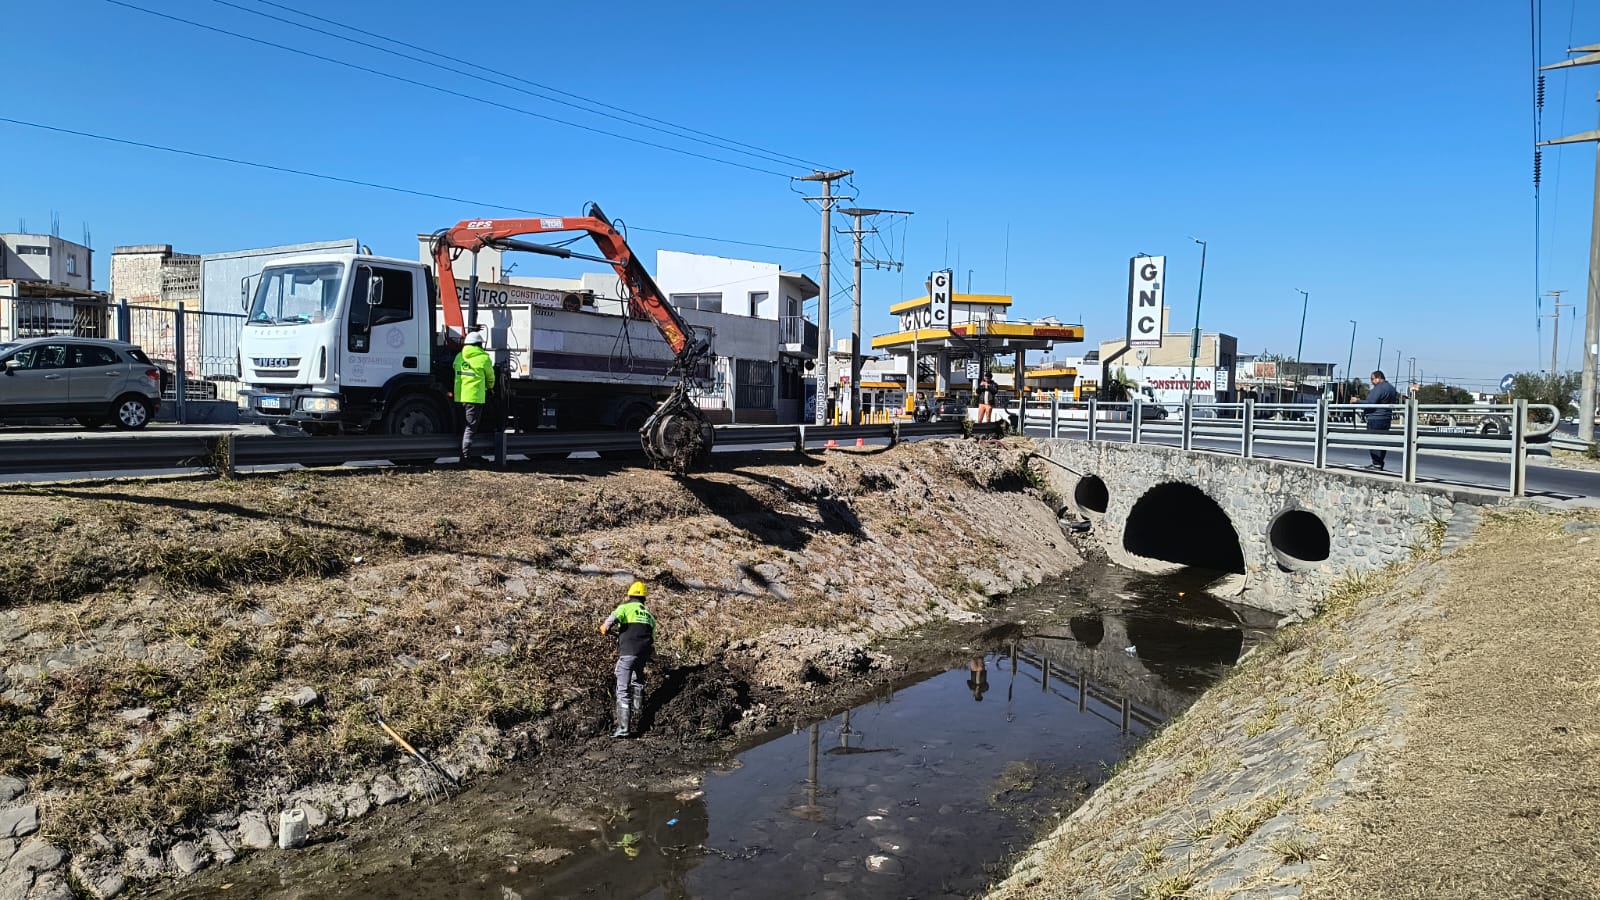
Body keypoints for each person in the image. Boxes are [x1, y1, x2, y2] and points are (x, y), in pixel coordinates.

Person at [600, 580, 657, 738]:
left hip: (628, 652)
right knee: (637, 678)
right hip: (643, 653)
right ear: (644, 599)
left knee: (622, 688)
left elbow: (607, 625)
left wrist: (605, 629)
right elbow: (652, 638)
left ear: (629, 596)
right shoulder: (649, 616)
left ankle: (624, 728)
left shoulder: (624, 608)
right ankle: (639, 711)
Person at [453, 331, 495, 464]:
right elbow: (490, 378)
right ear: (480, 345)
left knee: (464, 426)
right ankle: (465, 457)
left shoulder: (459, 357)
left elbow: (454, 369)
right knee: (470, 428)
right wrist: (490, 387)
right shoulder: (483, 358)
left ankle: (469, 454)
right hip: (474, 398)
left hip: (460, 397)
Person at [1360, 369, 1401, 470]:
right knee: (1382, 441)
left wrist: (1357, 401)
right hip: (1386, 418)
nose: (1372, 382)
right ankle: (1379, 462)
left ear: (1378, 378)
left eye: (1372, 379)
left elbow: (1371, 402)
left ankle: (1376, 463)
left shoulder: (1379, 388)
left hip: (1376, 418)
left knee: (1373, 441)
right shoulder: (1391, 388)